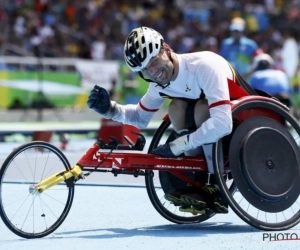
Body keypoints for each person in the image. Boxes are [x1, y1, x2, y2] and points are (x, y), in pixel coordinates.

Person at [87, 26, 255, 214]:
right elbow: (140, 118)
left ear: (166, 49)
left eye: (153, 61)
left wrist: (178, 146)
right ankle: (198, 181)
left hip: (245, 121)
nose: (153, 72)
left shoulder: (204, 66)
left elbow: (222, 124)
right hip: (214, 129)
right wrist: (110, 109)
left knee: (201, 109)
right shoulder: (158, 84)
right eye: (144, 70)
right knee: (175, 107)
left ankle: (215, 183)